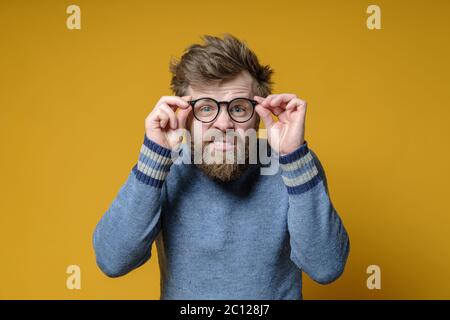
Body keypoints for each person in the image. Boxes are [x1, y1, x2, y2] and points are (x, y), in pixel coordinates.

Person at [93, 34, 350, 300]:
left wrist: (294, 156)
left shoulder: (293, 164)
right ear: (183, 114)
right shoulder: (163, 167)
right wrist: (154, 157)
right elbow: (113, 261)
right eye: (206, 108)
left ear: (260, 113)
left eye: (238, 108)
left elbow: (326, 267)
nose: (223, 124)